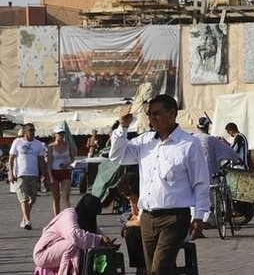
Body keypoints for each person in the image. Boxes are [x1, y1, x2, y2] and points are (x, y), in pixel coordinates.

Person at [108, 94, 210, 275]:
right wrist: (123, 126)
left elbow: (201, 182)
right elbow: (117, 156)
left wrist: (200, 215)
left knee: (159, 269)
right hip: (147, 218)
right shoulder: (144, 141)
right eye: (149, 114)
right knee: (154, 270)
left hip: (174, 218)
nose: (152, 118)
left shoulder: (189, 144)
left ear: (172, 114)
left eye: (156, 113)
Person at [33, 194, 116, 275]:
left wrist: (108, 244)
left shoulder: (85, 218)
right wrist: (100, 240)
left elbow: (96, 233)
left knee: (84, 244)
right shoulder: (69, 215)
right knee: (73, 244)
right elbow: (75, 235)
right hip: (43, 254)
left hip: (58, 250)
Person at [8, 122, 47, 230]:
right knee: (23, 198)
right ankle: (27, 221)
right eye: (30, 130)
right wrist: (11, 173)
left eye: (34, 130)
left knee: (32, 199)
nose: (33, 132)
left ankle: (24, 219)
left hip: (33, 174)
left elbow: (41, 160)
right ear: (25, 131)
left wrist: (44, 174)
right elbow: (11, 158)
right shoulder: (17, 142)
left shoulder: (38, 144)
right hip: (21, 174)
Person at [114, 172, 147, 275]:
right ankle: (140, 266)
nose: (129, 199)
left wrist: (128, 224)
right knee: (131, 231)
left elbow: (142, 221)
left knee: (132, 233)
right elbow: (135, 215)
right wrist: (133, 204)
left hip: (160, 226)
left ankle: (142, 267)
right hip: (147, 225)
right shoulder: (135, 199)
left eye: (130, 196)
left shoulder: (145, 197)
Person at [48, 126, 76, 215]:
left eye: (63, 133)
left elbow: (72, 157)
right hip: (54, 172)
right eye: (59, 133)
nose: (61, 135)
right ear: (55, 135)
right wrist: (50, 175)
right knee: (56, 198)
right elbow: (49, 162)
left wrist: (67, 164)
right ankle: (56, 218)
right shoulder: (51, 147)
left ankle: (68, 217)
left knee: (66, 197)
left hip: (65, 172)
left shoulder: (68, 144)